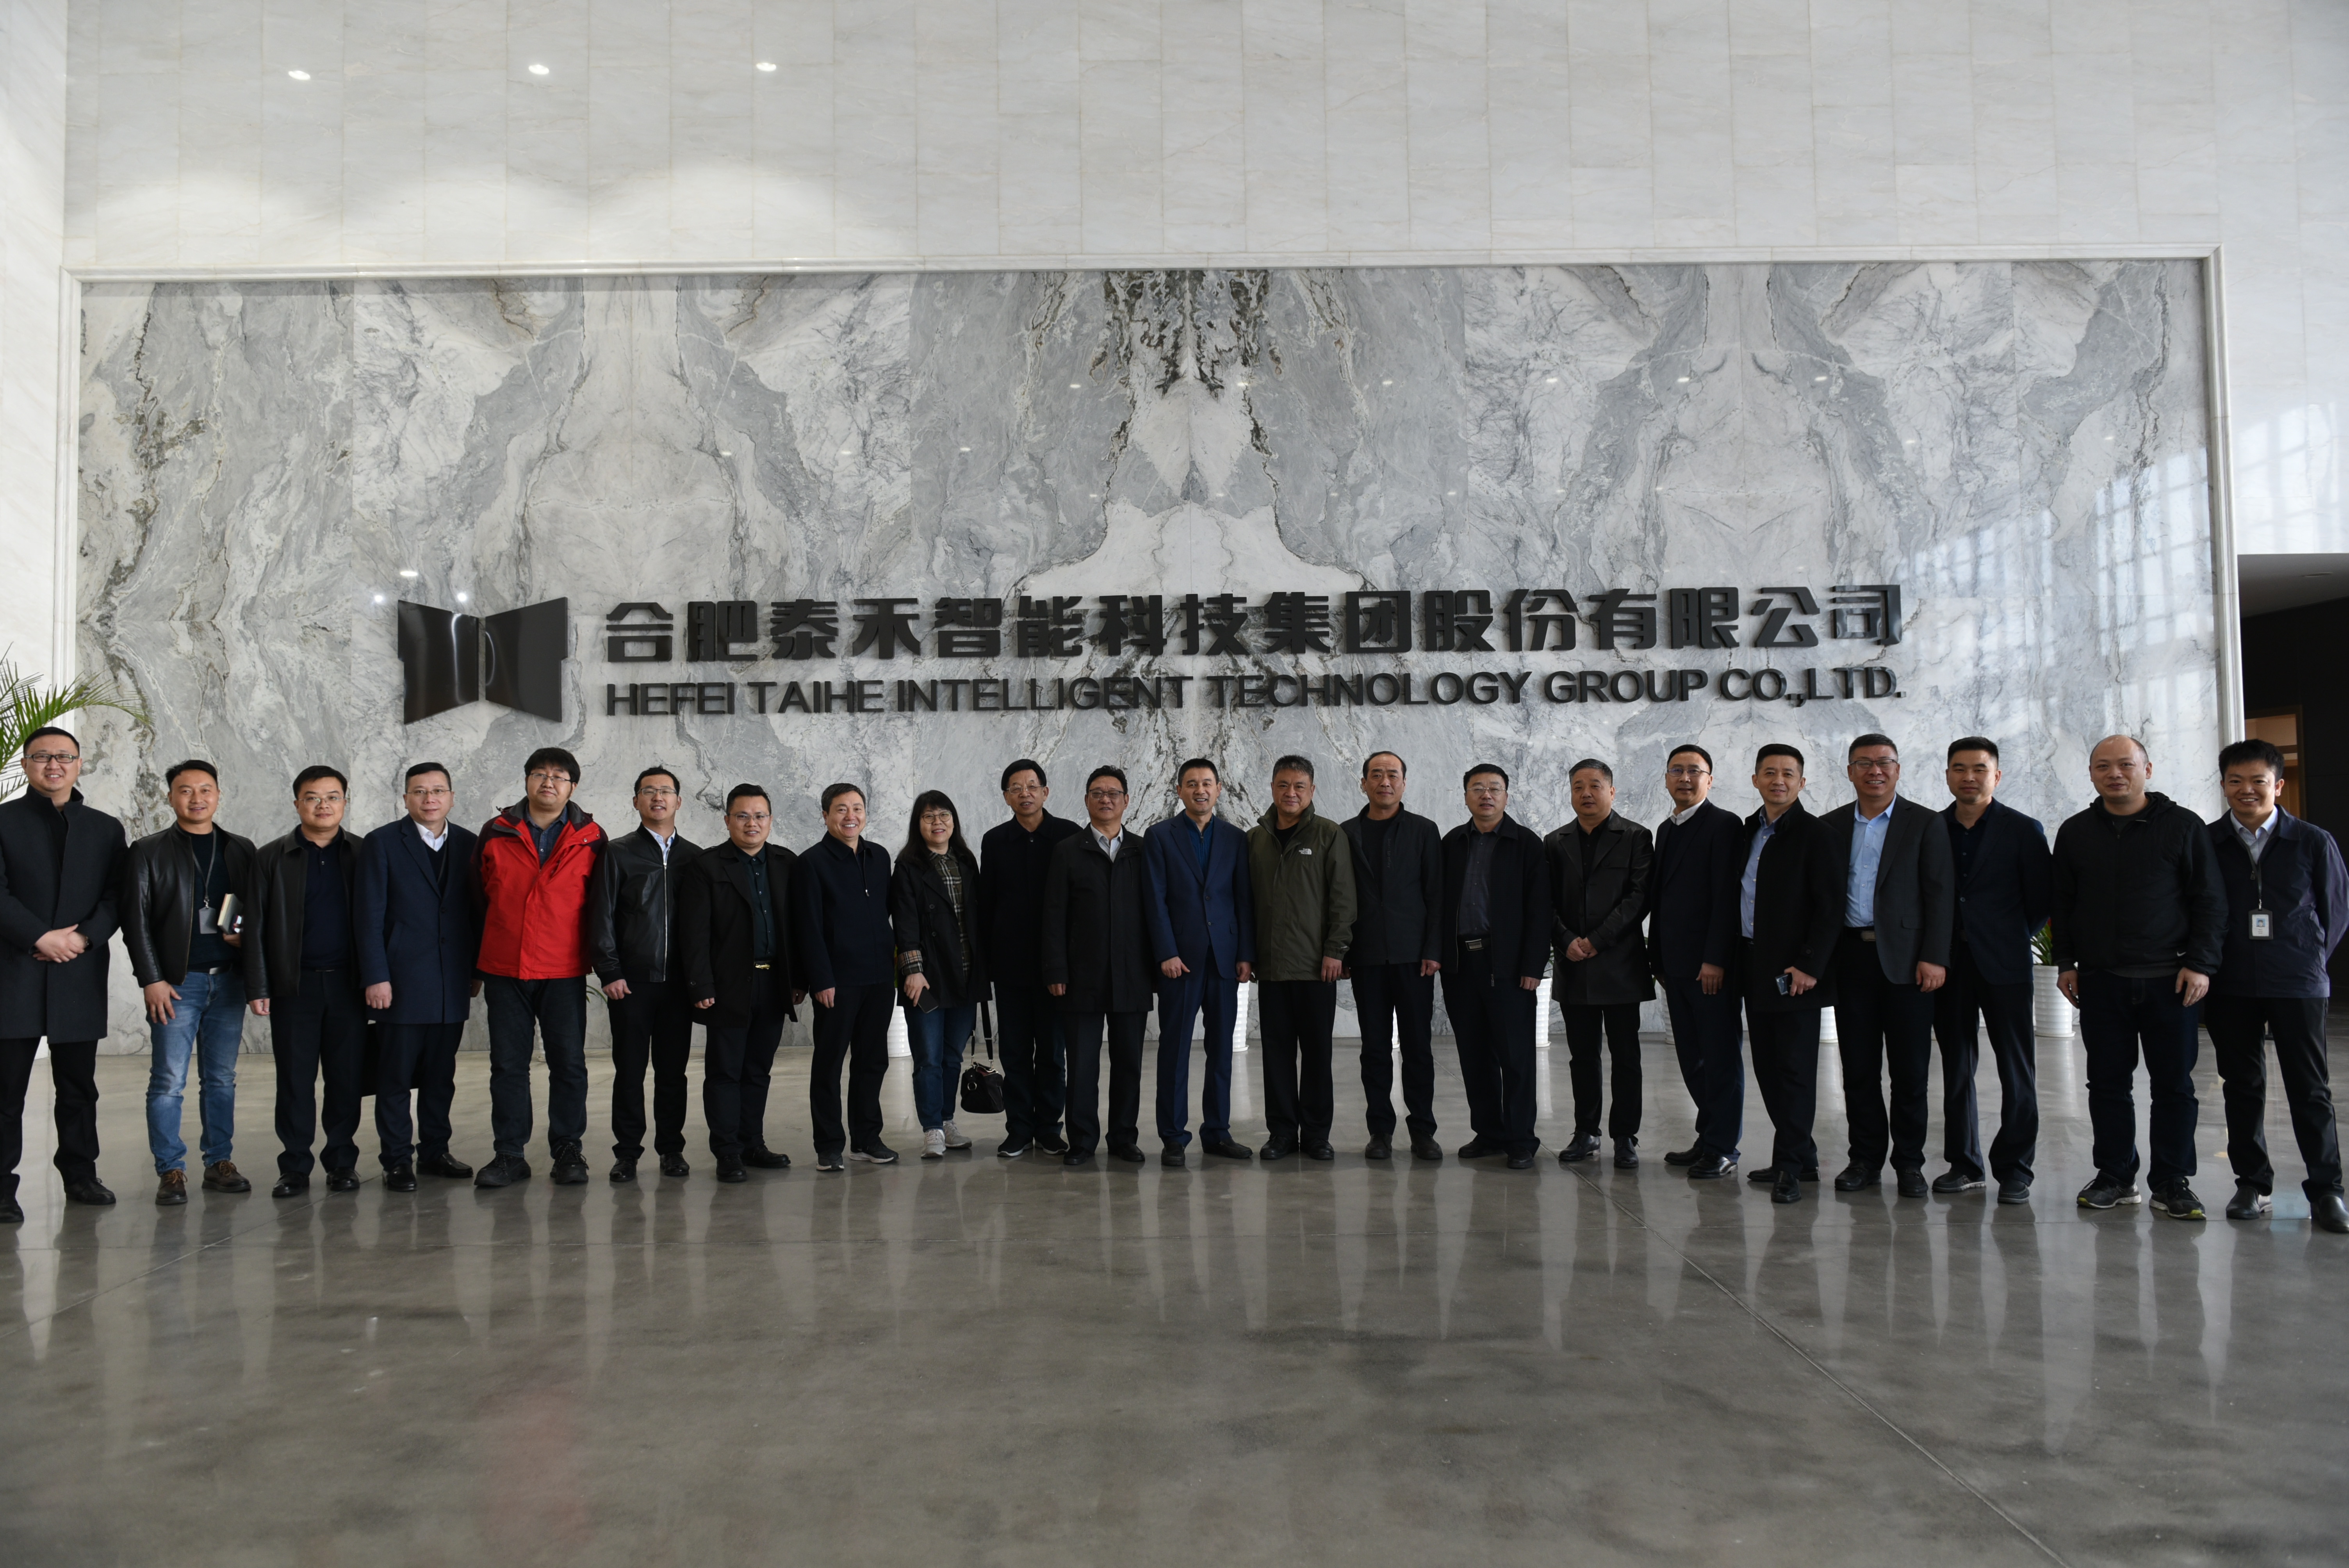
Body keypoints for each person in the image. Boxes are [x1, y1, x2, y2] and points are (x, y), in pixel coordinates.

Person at [2052, 735, 2227, 1220]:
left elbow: (2210, 900)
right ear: (2091, 773)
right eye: (2103, 766)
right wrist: (2066, 962)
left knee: (2174, 1085)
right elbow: (2062, 903)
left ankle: (2172, 1181)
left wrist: (2201, 963)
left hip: (2170, 980)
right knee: (2107, 1083)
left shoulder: (2183, 826)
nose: (2115, 774)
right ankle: (2114, 1175)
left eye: (2126, 764)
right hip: (2101, 980)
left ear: (2147, 769)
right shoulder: (2076, 831)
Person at [2202, 738, 2347, 1232]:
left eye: (2258, 781)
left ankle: (2326, 1190)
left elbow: (2335, 911)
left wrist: (2308, 959)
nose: (2246, 789)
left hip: (2297, 982)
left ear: (2278, 785)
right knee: (2241, 1085)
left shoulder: (2311, 840)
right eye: (2235, 781)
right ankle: (2252, 1183)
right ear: (2223, 785)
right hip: (2231, 982)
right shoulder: (2208, 842)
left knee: (2310, 1089)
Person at [1814, 734, 1953, 1200]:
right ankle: (1864, 1158)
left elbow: (1939, 894)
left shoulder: (1925, 822)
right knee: (1858, 1068)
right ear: (1849, 771)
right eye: (1864, 763)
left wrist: (1935, 956)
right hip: (1851, 958)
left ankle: (1909, 1163)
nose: (1875, 770)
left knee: (1910, 1072)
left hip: (1909, 962)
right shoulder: (1831, 826)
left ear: (1897, 769)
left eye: (1884, 762)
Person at [0, 727, 127, 1219]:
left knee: (78, 1087)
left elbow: (117, 895)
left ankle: (81, 1174)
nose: (53, 765)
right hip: (15, 971)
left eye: (64, 756)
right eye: (42, 756)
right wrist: (40, 936)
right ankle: (2, 1188)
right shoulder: (4, 821)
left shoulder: (105, 828)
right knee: (6, 1091)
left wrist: (83, 937)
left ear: (79, 764)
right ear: (26, 764)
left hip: (78, 971)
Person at [122, 759, 258, 1205]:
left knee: (221, 1078)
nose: (196, 798)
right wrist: (152, 979)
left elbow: (253, 907)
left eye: (205, 789)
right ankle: (171, 1170)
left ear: (218, 795)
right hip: (177, 985)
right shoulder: (148, 851)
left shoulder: (240, 848)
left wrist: (242, 934)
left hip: (229, 981)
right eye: (185, 790)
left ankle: (219, 1162)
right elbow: (136, 922)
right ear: (170, 797)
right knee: (168, 1080)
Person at [473, 747, 608, 1189]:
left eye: (559, 776)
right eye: (540, 774)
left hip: (563, 968)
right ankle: (510, 1153)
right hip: (505, 967)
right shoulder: (496, 832)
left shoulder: (591, 837)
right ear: (527, 780)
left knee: (568, 1063)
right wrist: (474, 965)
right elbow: (477, 899)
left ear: (573, 787)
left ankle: (568, 1149)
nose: (549, 782)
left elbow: (600, 906)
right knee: (508, 1065)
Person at [1934, 737, 2053, 1205]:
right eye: (1959, 768)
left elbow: (2040, 900)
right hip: (1948, 963)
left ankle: (2015, 1168)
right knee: (1956, 1066)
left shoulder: (2022, 829)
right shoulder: (1932, 828)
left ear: (1996, 776)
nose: (1969, 777)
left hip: (2004, 963)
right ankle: (1965, 1164)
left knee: (2016, 1067)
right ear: (1947, 775)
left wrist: (2006, 935)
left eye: (1979, 769)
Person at [242, 766, 368, 1197]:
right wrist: (258, 986)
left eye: (332, 797)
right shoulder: (271, 857)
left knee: (346, 1079)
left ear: (345, 803)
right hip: (293, 986)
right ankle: (294, 1166)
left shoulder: (363, 853)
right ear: (297, 803)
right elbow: (255, 925)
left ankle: (342, 1162)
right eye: (313, 797)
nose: (323, 805)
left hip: (350, 985)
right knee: (295, 1080)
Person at [356, 762, 481, 1192]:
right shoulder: (382, 842)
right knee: (394, 1077)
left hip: (452, 981)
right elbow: (369, 917)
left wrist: (476, 970)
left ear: (451, 797)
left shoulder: (469, 843)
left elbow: (476, 913)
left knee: (440, 1077)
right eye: (420, 791)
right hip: (400, 981)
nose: (430, 799)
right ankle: (396, 1159)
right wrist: (376, 976)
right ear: (406, 797)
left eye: (438, 791)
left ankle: (434, 1151)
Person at [1734, 745, 1841, 1205]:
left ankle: (1791, 1168)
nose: (1779, 780)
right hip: (1753, 966)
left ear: (1802, 782)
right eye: (1770, 772)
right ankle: (1801, 1155)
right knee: (1768, 1068)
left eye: (1788, 773)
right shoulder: (1746, 831)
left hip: (1795, 972)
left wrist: (1810, 965)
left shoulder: (1818, 834)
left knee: (1795, 1071)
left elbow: (1829, 907)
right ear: (1755, 779)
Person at [681, 786, 804, 1180]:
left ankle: (753, 1143)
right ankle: (728, 1151)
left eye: (760, 816)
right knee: (725, 1072)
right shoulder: (707, 866)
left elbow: (798, 928)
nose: (752, 823)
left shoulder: (786, 863)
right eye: (743, 816)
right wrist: (701, 985)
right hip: (728, 985)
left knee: (758, 1070)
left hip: (774, 983)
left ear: (770, 820)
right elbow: (694, 933)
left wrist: (798, 979)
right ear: (728, 820)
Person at [587, 766, 702, 1183]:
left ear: (678, 801)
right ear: (636, 800)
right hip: (631, 983)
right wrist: (610, 971)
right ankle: (627, 1153)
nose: (658, 797)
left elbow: (704, 926)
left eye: (666, 791)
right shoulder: (617, 853)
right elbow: (601, 915)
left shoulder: (695, 857)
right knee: (630, 1071)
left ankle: (671, 1149)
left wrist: (700, 980)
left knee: (673, 1072)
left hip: (678, 985)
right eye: (649, 791)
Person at [1142, 759, 1255, 1167]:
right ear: (1179, 791)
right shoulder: (1160, 836)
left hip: (1225, 960)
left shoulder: (1235, 838)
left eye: (1207, 783)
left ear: (1219, 789)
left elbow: (1243, 899)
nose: (1200, 790)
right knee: (1174, 1051)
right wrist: (1166, 952)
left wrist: (1245, 954)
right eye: (1191, 784)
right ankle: (1173, 1137)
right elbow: (1154, 900)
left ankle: (1218, 1132)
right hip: (1181, 962)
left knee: (1221, 1050)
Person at [1041, 766, 1155, 1166]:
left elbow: (1156, 913)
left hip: (1132, 975)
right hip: (1081, 977)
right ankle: (1083, 1140)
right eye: (1098, 793)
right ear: (1087, 800)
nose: (1106, 799)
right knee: (1082, 1065)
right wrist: (1056, 970)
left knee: (1128, 1064)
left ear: (1126, 801)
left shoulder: (1143, 850)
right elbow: (1054, 915)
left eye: (1113, 793)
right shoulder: (1068, 850)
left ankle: (1124, 1137)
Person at [1438, 763, 1550, 1170]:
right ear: (1465, 795)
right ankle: (1489, 1133)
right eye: (1478, 788)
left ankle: (1521, 1139)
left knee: (1515, 1056)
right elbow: (1438, 904)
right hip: (1460, 964)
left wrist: (1533, 965)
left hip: (1507, 964)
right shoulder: (1453, 842)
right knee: (1474, 1054)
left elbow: (1541, 909)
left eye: (1494, 788)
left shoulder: (1526, 843)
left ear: (1506, 795)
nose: (1486, 795)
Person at [1246, 754, 1358, 1162]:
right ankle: (1280, 1133)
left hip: (1316, 968)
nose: (1290, 793)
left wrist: (1335, 950)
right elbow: (1245, 902)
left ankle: (1315, 1135)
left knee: (1316, 1055)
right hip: (1272, 967)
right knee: (1275, 1055)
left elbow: (1343, 898)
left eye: (1299, 786)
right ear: (1272, 788)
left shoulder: (1329, 834)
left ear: (1312, 790)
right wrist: (1249, 954)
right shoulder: (1255, 838)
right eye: (1283, 785)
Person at [1545, 758, 1652, 1171]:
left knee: (1626, 1057)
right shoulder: (1555, 841)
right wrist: (1567, 940)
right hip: (1574, 963)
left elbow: (1639, 897)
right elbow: (1545, 900)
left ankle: (1625, 1136)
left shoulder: (1636, 837)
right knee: (1582, 1057)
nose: (1586, 793)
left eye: (1595, 785)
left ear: (1611, 791)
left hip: (1620, 963)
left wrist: (1597, 939)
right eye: (1578, 786)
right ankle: (1585, 1132)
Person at [1645, 744, 1744, 1180]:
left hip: (1709, 968)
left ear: (1710, 779)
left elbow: (1727, 897)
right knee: (1691, 1057)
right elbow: (1662, 899)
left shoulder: (1724, 825)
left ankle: (1724, 1147)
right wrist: (1658, 960)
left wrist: (1715, 959)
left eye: (1694, 771)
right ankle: (1708, 1136)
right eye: (1677, 770)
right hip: (1675, 965)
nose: (1685, 778)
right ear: (1667, 778)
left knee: (1720, 1059)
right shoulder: (1666, 829)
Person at [1340, 751, 1443, 1162]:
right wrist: (1342, 951)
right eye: (1377, 775)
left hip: (1413, 958)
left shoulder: (1423, 830)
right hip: (1366, 957)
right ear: (1363, 783)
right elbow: (1339, 897)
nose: (1385, 782)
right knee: (1375, 1049)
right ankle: (1379, 1131)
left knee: (1418, 1048)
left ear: (1404, 782)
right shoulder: (1345, 833)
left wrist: (1433, 949)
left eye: (1393, 775)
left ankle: (1423, 1131)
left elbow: (1436, 895)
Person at [976, 759, 1081, 1160]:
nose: (1025, 793)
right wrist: (986, 964)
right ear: (1006, 797)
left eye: (1032, 786)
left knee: (1053, 1052)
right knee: (1016, 1052)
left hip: (1057, 967)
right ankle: (1019, 1128)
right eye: (1016, 788)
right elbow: (987, 904)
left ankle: (1050, 1128)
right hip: (1010, 965)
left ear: (1045, 792)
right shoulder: (995, 840)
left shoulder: (1068, 835)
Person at [800, 782, 898, 1169]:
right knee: (829, 1064)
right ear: (825, 815)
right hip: (837, 982)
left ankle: (866, 1138)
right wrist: (821, 979)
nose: (850, 816)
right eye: (841, 809)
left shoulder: (879, 856)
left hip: (879, 978)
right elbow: (809, 927)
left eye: (857, 808)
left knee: (872, 1062)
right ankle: (828, 1145)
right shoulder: (812, 862)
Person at [892, 790, 989, 1160]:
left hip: (965, 975)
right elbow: (905, 923)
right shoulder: (908, 866)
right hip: (928, 979)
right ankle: (931, 1127)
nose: (938, 823)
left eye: (944, 815)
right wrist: (912, 971)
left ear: (954, 821)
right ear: (918, 824)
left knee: (952, 1057)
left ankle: (948, 1121)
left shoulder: (966, 860)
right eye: (929, 817)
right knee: (928, 1058)